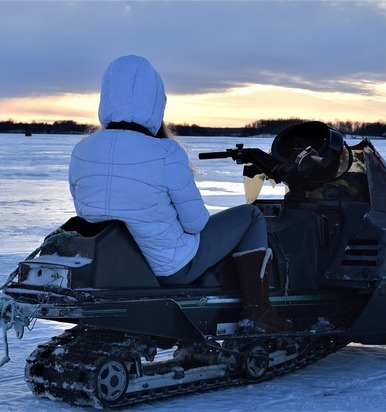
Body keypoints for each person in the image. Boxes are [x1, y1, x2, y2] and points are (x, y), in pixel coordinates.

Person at [68, 55, 293, 332]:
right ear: (155, 102)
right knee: (251, 215)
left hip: (117, 263)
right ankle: (258, 310)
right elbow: (196, 223)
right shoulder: (166, 152)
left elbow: (84, 210)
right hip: (170, 267)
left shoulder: (82, 149)